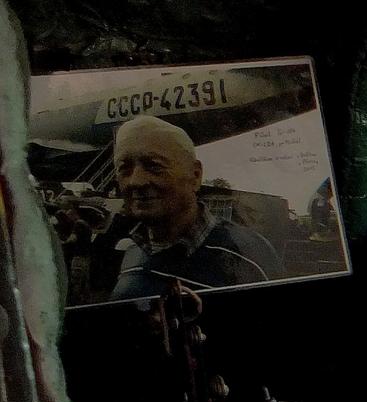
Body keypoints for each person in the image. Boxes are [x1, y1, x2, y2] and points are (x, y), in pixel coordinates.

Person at [108, 114, 284, 300]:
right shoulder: (132, 253)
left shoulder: (248, 254)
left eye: (154, 166)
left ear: (195, 175)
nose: (136, 181)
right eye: (124, 169)